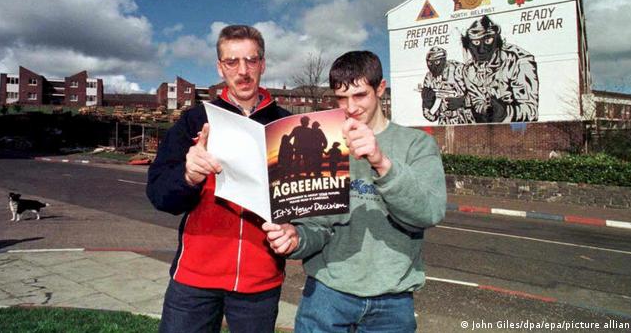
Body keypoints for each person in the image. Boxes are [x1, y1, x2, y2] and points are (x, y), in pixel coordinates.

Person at [263, 51, 447, 332]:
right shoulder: (329, 143)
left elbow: (428, 213)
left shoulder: (416, 145)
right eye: (341, 98)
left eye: (360, 95)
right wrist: (295, 238)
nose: (350, 107)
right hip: (327, 293)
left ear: (380, 89)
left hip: (392, 301)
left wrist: (381, 162)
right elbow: (319, 226)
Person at [147, 25, 290, 333]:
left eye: (251, 60)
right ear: (219, 66)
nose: (243, 71)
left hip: (259, 281)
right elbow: (159, 195)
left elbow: (304, 201)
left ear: (263, 64)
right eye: (232, 62)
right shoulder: (194, 120)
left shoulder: (287, 124)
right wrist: (187, 176)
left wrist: (295, 230)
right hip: (194, 279)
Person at [460, 15, 539, 123]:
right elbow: (477, 100)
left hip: (517, 130)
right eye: (476, 43)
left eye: (487, 41)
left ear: (497, 40)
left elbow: (531, 110)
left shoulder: (518, 61)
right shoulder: (469, 70)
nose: (482, 50)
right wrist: (486, 110)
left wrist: (506, 113)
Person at [420, 46, 474, 124]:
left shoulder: (458, 69)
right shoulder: (429, 77)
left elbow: (479, 95)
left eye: (436, 62)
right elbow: (430, 115)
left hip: (465, 119)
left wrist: (462, 102)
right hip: (444, 121)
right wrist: (428, 103)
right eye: (430, 63)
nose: (433, 66)